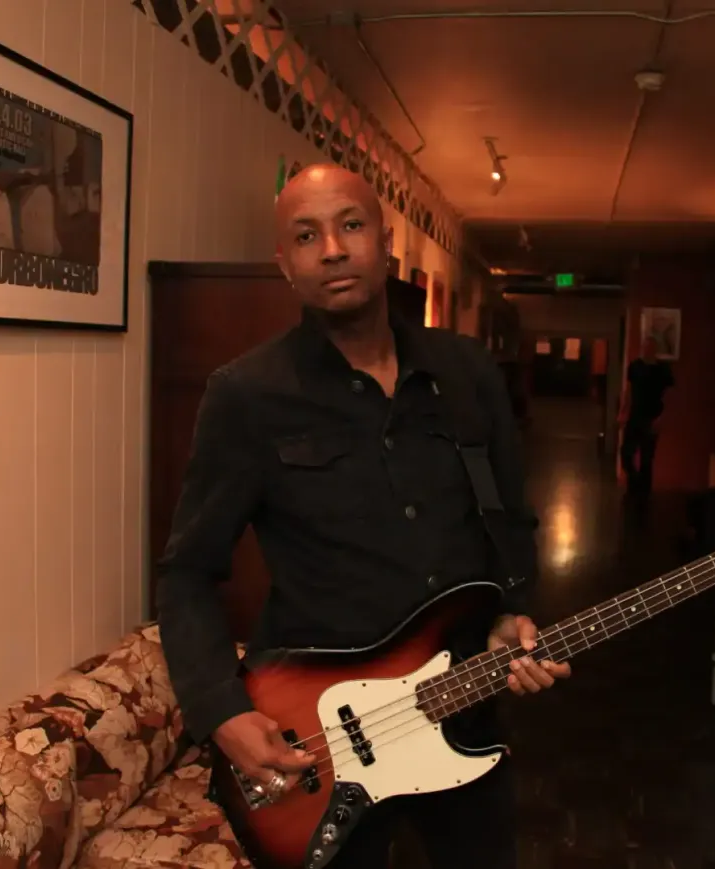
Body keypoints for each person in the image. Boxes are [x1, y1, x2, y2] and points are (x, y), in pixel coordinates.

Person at [156, 163, 571, 869]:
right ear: (284, 264)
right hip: (322, 728)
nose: (333, 249)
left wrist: (511, 611)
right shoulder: (247, 396)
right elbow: (187, 572)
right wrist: (220, 710)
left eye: (350, 225)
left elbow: (511, 522)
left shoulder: (467, 372)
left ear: (384, 241)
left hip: (461, 704)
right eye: (306, 235)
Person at [620, 337, 674, 495]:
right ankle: (634, 484)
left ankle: (643, 494)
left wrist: (662, 417)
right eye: (645, 347)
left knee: (646, 459)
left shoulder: (663, 369)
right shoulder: (635, 366)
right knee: (626, 453)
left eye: (650, 347)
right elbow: (629, 391)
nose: (647, 350)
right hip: (635, 416)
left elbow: (669, 395)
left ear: (655, 350)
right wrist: (623, 411)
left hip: (652, 418)